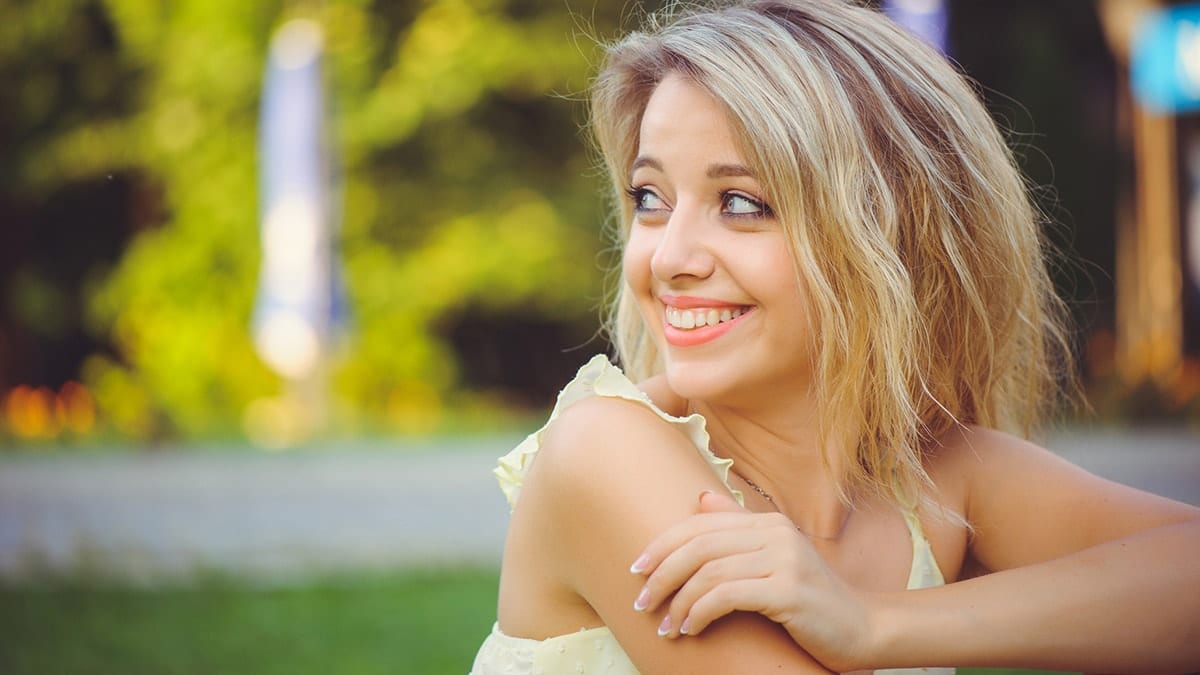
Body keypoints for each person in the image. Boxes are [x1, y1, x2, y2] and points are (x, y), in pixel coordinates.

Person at [471, 0, 1200, 673]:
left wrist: (878, 623)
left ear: (889, 235)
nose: (669, 257)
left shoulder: (937, 475)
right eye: (651, 198)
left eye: (740, 203)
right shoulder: (606, 452)